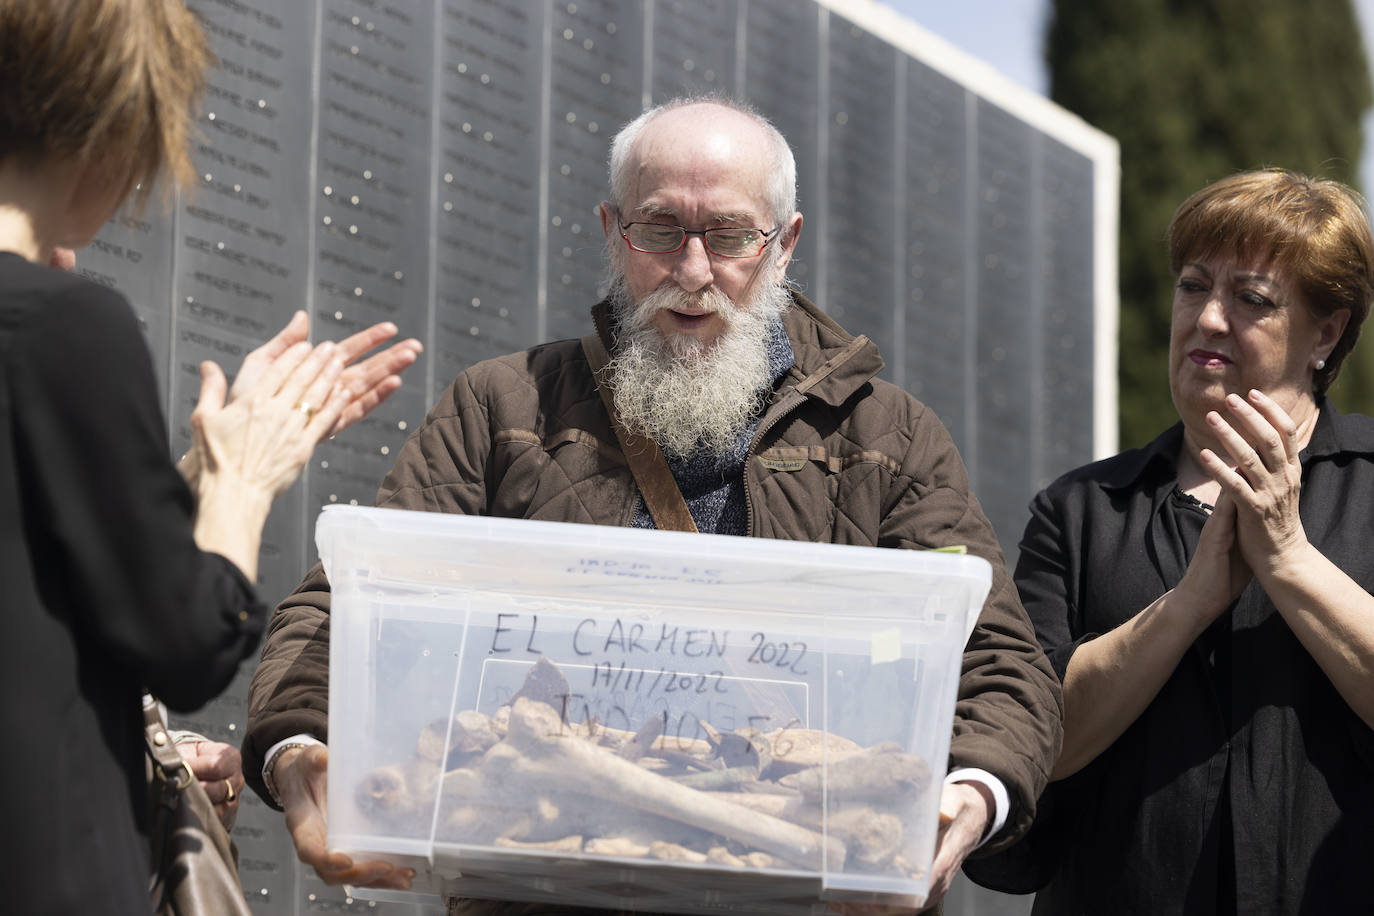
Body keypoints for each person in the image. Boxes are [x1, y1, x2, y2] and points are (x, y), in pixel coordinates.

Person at [243, 96, 1062, 912]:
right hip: (543, 881)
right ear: (612, 231)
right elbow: (349, 604)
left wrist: (969, 794)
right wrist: (300, 747)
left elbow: (1001, 661)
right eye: (660, 229)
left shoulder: (888, 437)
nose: (694, 271)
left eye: (732, 235)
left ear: (785, 246)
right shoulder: (503, 409)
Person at [0, 1, 422, 913]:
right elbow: (187, 642)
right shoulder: (67, 322)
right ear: (114, 122)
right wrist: (243, 478)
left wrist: (176, 486)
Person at [964, 169, 1374, 914]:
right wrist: (1185, 607)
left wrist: (1288, 560)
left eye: (1251, 299)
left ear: (1327, 331)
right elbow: (1032, 736)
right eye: (1194, 286)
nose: (1209, 318)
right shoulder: (1081, 511)